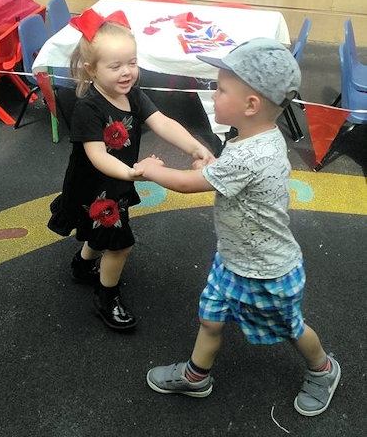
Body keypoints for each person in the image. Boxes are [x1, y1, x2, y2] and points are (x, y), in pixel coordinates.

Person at [134, 38, 341, 416]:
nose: (213, 94)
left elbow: (182, 184)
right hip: (233, 260)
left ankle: (324, 369)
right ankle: (197, 376)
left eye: (221, 88)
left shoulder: (249, 154)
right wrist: (210, 171)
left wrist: (153, 170)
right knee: (210, 317)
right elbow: (229, 178)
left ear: (251, 104)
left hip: (267, 270)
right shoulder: (255, 137)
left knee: (291, 328)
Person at [47, 8, 214, 332]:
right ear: (91, 70)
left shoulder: (131, 94)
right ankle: (106, 297)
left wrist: (194, 146)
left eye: (132, 63)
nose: (127, 72)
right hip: (96, 185)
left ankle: (82, 265)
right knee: (119, 243)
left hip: (118, 180)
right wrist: (132, 174)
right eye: (116, 66)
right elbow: (96, 155)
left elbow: (162, 122)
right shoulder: (89, 108)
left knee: (103, 234)